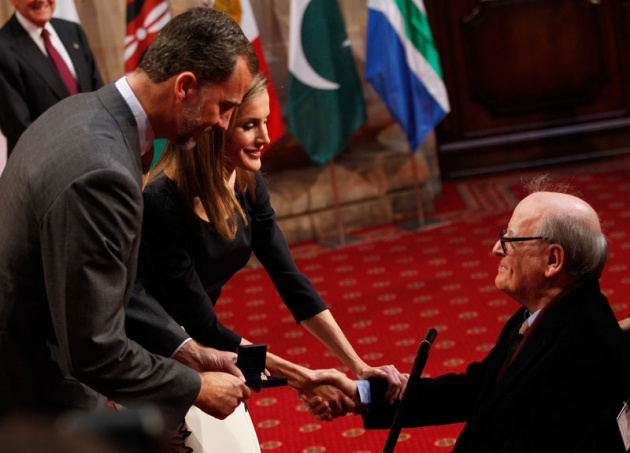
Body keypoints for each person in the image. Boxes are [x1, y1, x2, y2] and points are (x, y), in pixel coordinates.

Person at [0, 7, 258, 429]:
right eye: (224, 107)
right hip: (36, 394)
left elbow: (108, 279)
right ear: (186, 87)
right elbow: (95, 349)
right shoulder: (102, 171)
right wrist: (195, 386)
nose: (223, 124)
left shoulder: (83, 111)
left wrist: (188, 349)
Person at [137, 74, 407, 448]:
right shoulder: (161, 201)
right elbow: (203, 324)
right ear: (216, 129)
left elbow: (292, 281)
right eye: (250, 125)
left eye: (266, 122)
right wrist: (302, 376)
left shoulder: (248, 183)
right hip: (153, 355)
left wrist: (357, 365)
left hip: (211, 351)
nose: (266, 137)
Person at [304, 177, 629, 452]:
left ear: (552, 260)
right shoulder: (542, 312)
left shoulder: (587, 348)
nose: (496, 249)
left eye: (510, 239)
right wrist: (359, 394)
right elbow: (475, 391)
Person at [0, 0, 103, 156]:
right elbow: (20, 128)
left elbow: (99, 96)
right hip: (48, 164)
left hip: (96, 150)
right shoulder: (3, 49)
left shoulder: (73, 30)